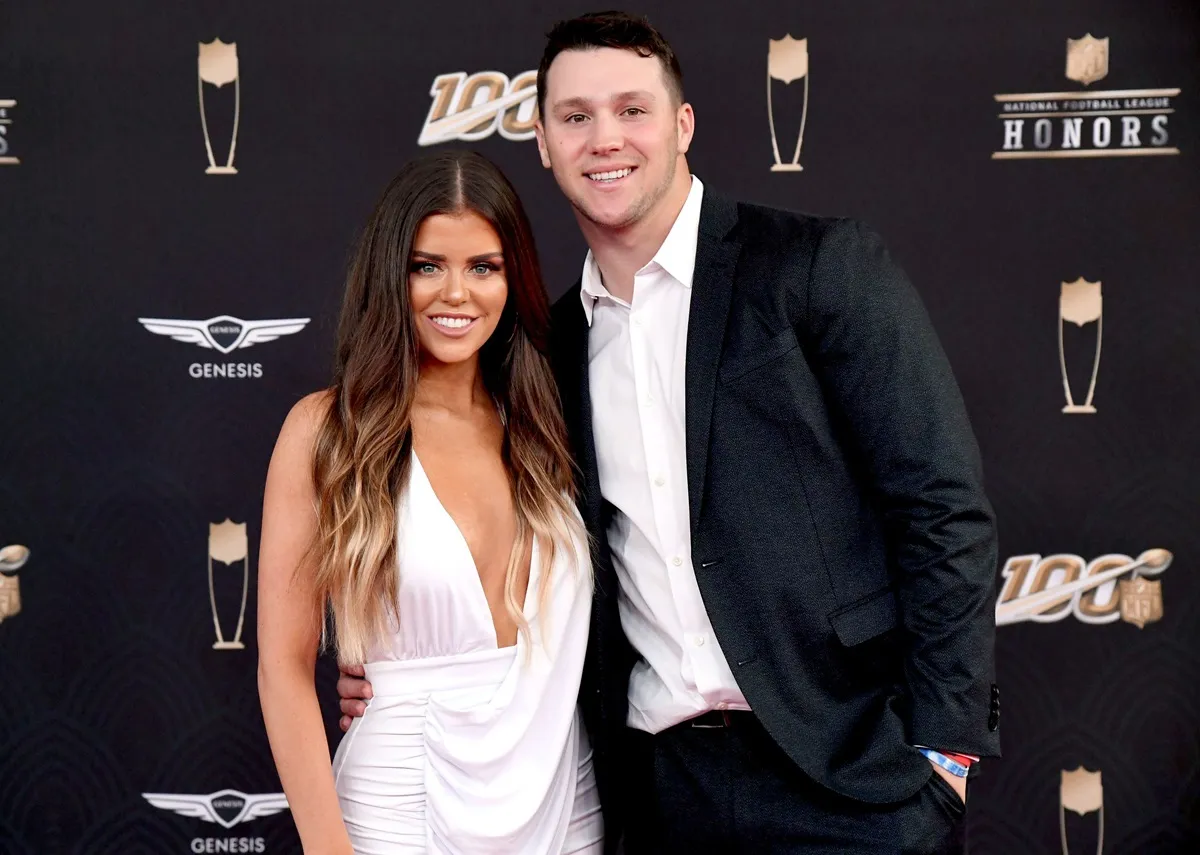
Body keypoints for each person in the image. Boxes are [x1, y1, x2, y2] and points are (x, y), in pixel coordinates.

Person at [339, 11, 1001, 854]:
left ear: (682, 124)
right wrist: (391, 678)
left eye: (632, 110)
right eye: (575, 117)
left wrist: (943, 751)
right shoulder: (546, 351)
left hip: (853, 779)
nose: (604, 138)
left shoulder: (813, 266)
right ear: (542, 141)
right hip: (658, 795)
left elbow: (941, 506)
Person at [256, 149, 604, 854]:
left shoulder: (548, 422)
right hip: (398, 808)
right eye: (427, 266)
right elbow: (283, 667)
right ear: (392, 274)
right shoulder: (327, 431)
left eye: (484, 266)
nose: (457, 293)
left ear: (514, 278)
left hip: (565, 803)